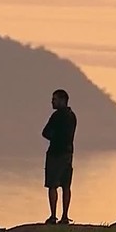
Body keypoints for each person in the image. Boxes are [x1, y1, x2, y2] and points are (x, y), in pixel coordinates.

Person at [42, 89, 77, 224]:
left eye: (54, 99)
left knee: (52, 185)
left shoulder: (56, 116)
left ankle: (53, 216)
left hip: (55, 153)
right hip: (68, 153)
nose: (52, 102)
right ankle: (65, 216)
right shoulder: (72, 116)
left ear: (62, 100)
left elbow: (45, 132)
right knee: (66, 185)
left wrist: (54, 137)